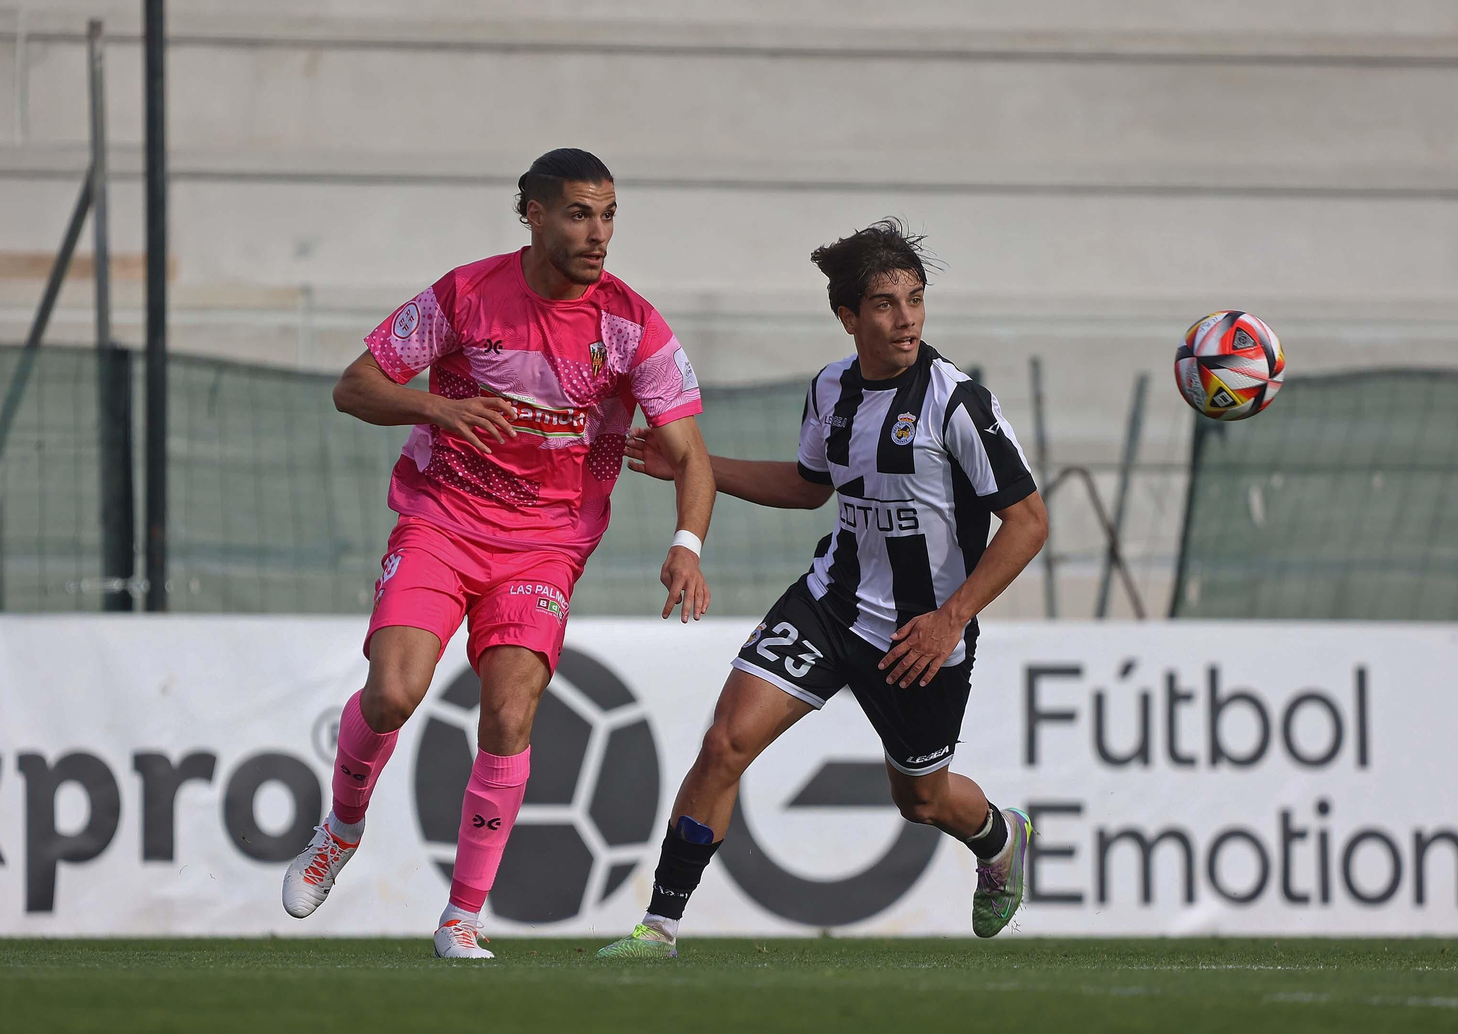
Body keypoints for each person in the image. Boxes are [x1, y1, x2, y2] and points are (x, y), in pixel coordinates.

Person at [281, 148, 715, 960]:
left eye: (610, 214)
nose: (599, 234)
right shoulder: (467, 294)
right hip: (442, 520)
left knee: (511, 712)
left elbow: (691, 453)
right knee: (392, 695)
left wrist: (686, 544)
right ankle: (339, 830)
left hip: (546, 545)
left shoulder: (632, 323)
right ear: (534, 214)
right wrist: (439, 408)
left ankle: (461, 917)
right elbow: (355, 385)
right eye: (581, 214)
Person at [598, 220, 1048, 957]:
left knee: (923, 799)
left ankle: (1001, 836)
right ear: (848, 317)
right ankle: (661, 927)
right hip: (829, 603)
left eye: (915, 299)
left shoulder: (956, 402)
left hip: (919, 635)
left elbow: (1028, 523)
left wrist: (949, 619)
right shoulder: (831, 389)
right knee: (725, 744)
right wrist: (693, 465)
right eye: (884, 304)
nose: (905, 318)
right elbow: (809, 488)